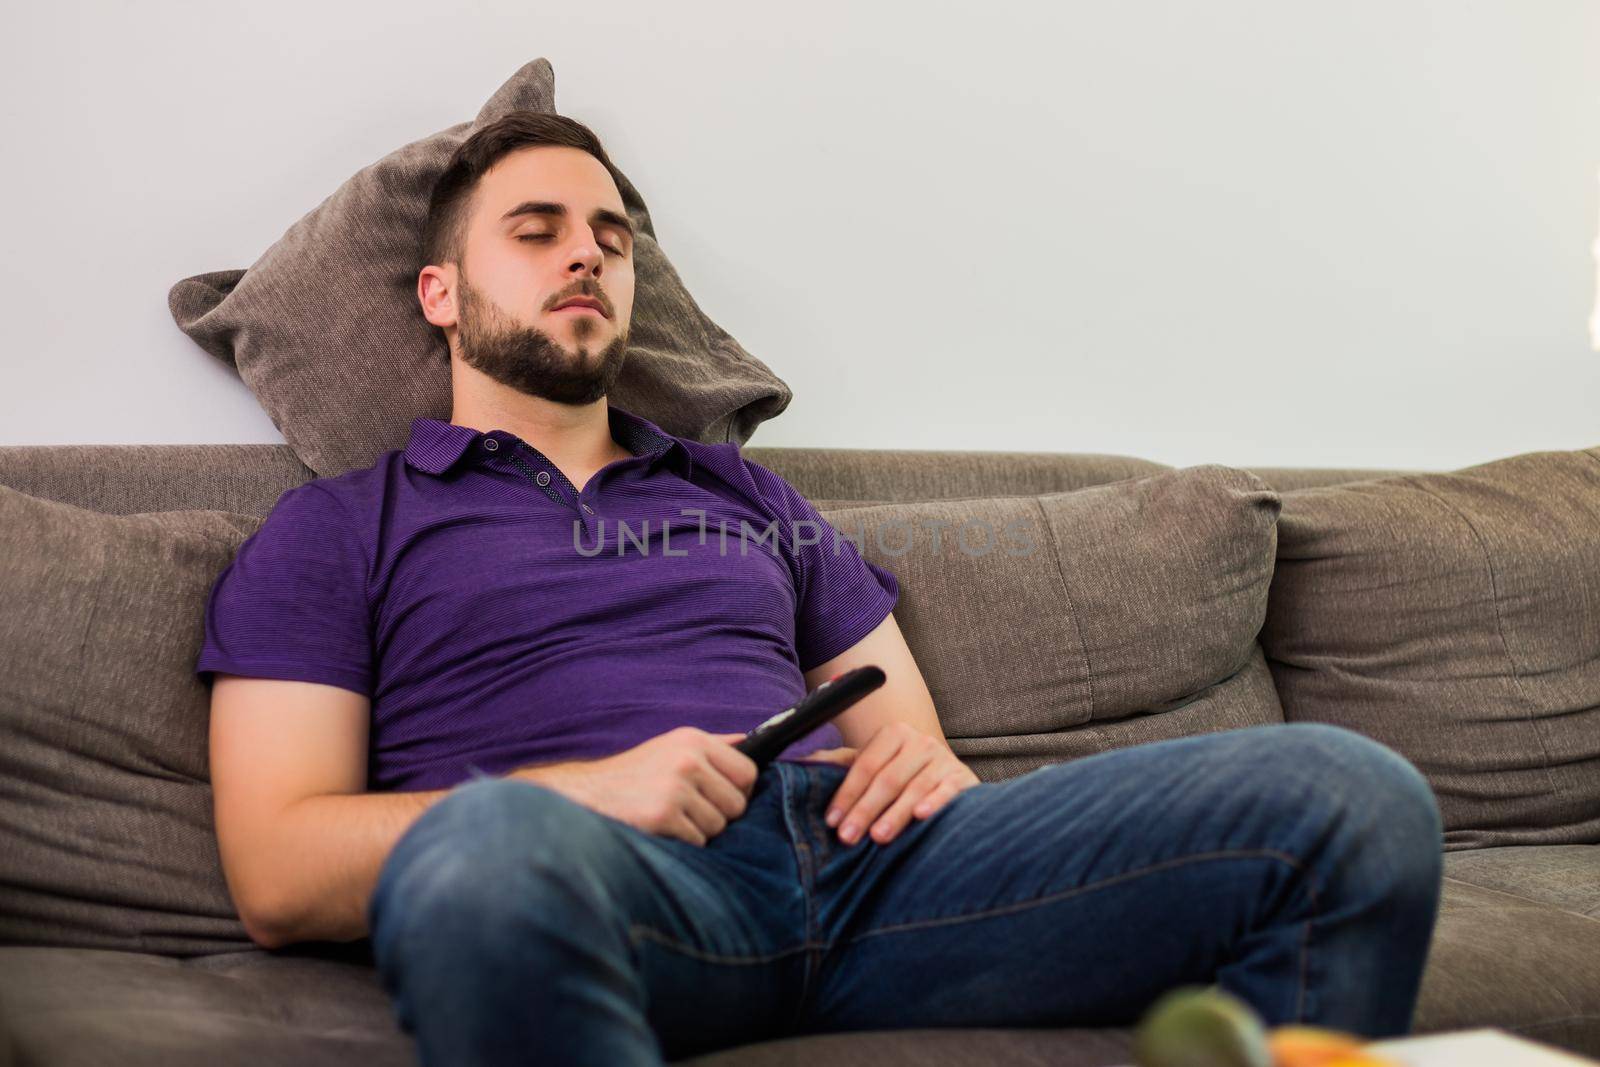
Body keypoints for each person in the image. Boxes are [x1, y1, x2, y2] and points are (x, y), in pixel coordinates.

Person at [196, 111, 1445, 1066]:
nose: (587, 254)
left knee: (1348, 795)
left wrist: (917, 764)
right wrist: (580, 794)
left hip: (870, 874)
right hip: (605, 880)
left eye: (612, 239)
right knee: (483, 851)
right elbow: (277, 870)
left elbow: (900, 733)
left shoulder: (751, 496)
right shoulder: (341, 526)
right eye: (537, 231)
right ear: (440, 294)